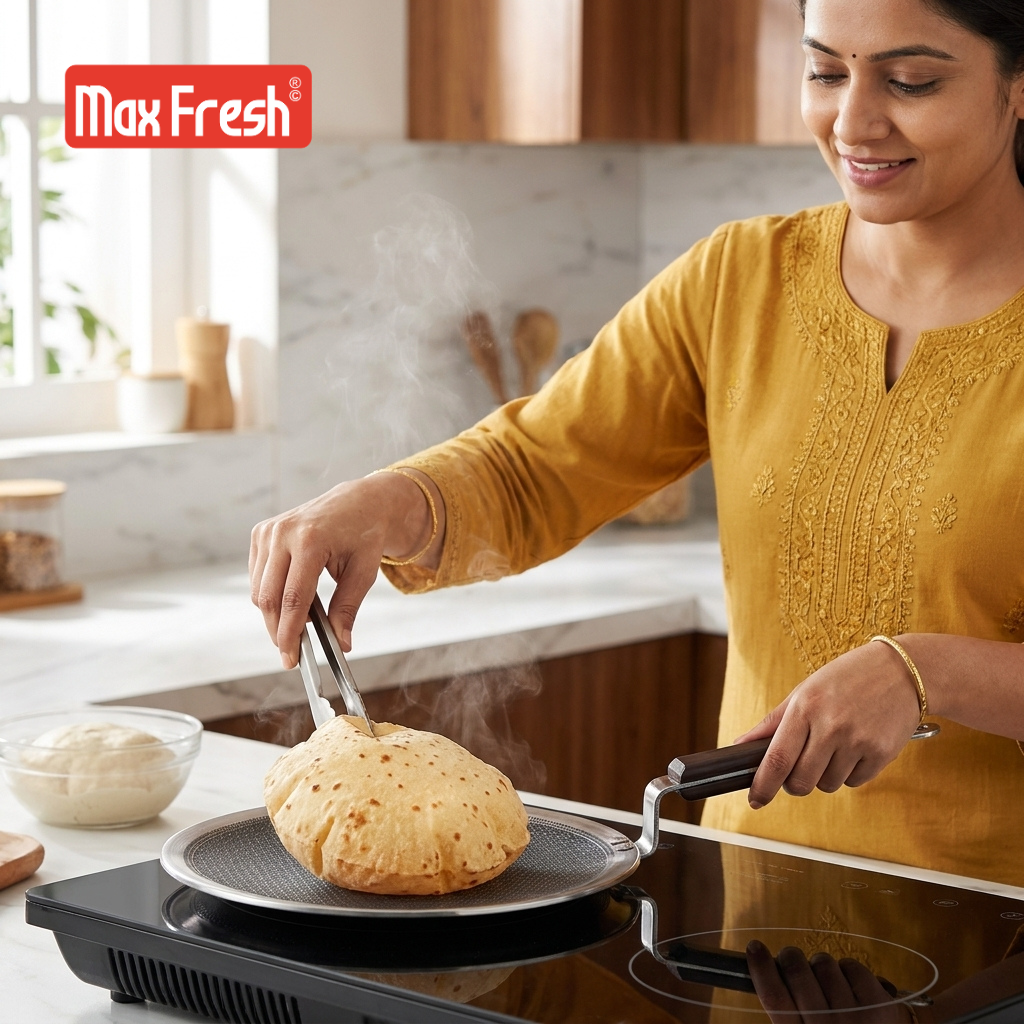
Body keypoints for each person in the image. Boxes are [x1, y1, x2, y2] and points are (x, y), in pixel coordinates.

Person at [250, 0, 1024, 888]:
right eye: (825, 72)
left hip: (1000, 925)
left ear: (1017, 84)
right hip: (761, 912)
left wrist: (929, 672)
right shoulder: (741, 280)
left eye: (911, 80)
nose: (852, 120)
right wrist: (392, 500)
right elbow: (539, 464)